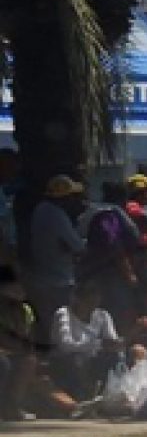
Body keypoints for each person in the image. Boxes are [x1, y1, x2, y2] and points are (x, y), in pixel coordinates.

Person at [25, 175, 87, 349]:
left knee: (44, 327)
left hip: (41, 278)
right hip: (59, 280)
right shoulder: (57, 215)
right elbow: (78, 246)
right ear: (64, 197)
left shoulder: (40, 210)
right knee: (60, 329)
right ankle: (59, 366)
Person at [50, 282, 122, 403]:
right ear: (77, 299)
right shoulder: (63, 314)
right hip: (66, 361)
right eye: (88, 302)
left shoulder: (103, 315)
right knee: (76, 359)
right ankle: (85, 396)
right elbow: (65, 345)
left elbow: (111, 341)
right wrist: (98, 344)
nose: (91, 306)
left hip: (93, 359)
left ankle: (111, 394)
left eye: (95, 302)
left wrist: (115, 344)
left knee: (114, 357)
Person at [80, 182, 141, 326]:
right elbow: (114, 246)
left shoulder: (102, 212)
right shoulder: (108, 215)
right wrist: (129, 273)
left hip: (103, 272)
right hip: (108, 274)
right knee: (116, 313)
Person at [0, 266, 36, 421]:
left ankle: (11, 407)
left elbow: (25, 339)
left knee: (29, 361)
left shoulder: (25, 310)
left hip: (12, 351)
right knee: (3, 364)